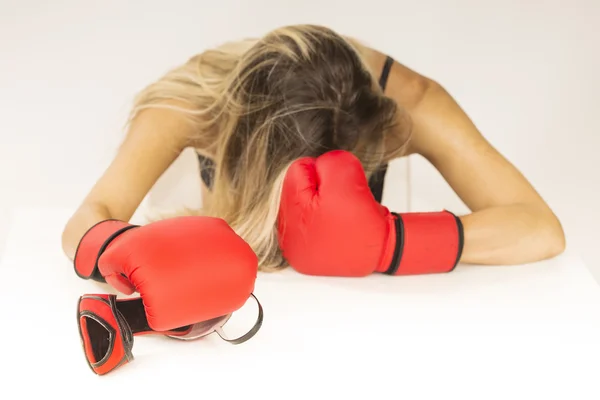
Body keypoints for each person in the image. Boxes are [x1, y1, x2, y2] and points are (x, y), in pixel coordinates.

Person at [61, 24, 565, 274]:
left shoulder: (407, 104)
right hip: (243, 293)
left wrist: (392, 242)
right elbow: (91, 216)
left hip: (361, 308)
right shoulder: (196, 102)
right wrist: (133, 258)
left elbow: (539, 228)